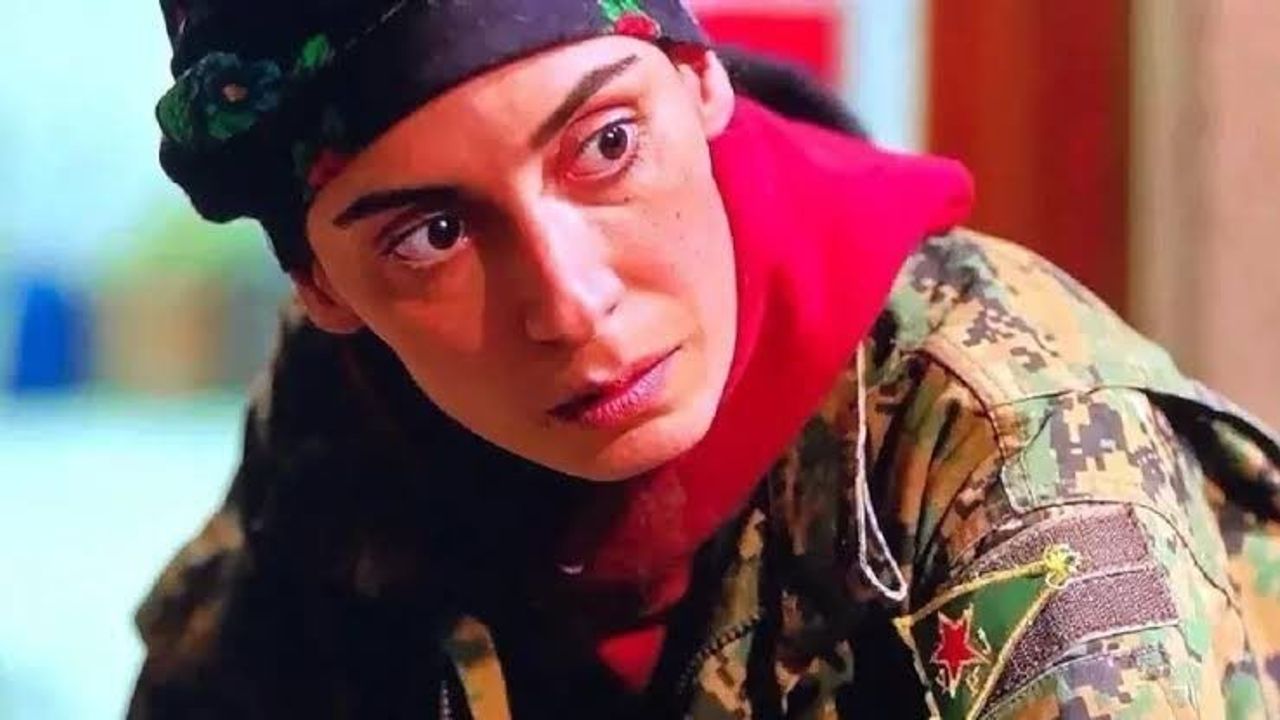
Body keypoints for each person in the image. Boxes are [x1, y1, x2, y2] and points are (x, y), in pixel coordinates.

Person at [128, 1, 1280, 718]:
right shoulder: (351, 405)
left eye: (605, 144)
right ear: (322, 286)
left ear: (696, 78)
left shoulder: (1014, 446)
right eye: (432, 236)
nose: (570, 305)